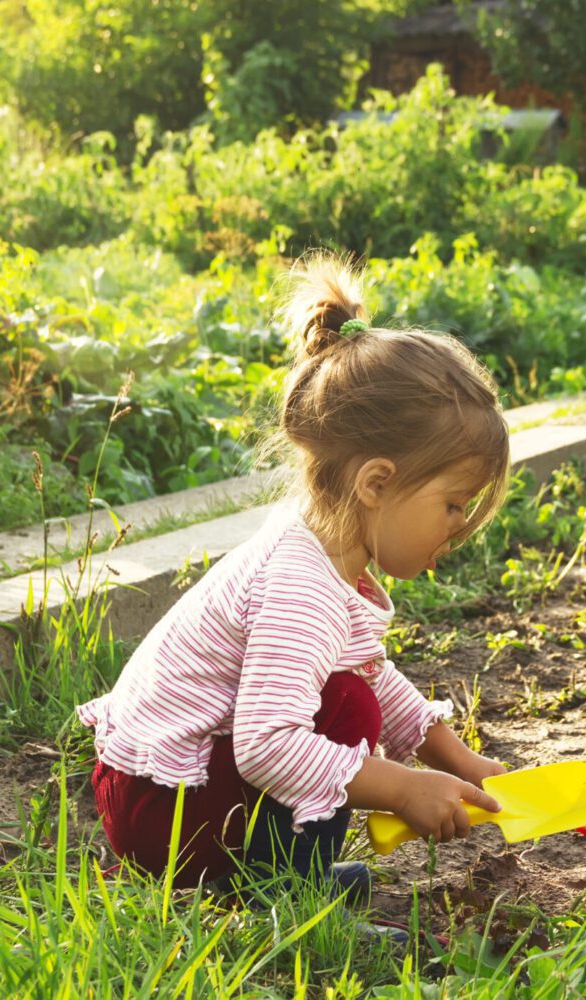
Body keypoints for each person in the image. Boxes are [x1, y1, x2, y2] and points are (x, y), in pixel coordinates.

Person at [77, 251, 510, 900]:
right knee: (344, 707)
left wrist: (452, 759)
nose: (459, 526)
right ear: (377, 483)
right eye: (453, 504)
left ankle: (269, 875)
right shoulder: (300, 583)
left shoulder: (325, 551)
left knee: (347, 691)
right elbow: (265, 747)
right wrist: (401, 786)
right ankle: (280, 895)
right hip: (162, 809)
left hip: (166, 793)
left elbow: (366, 666)